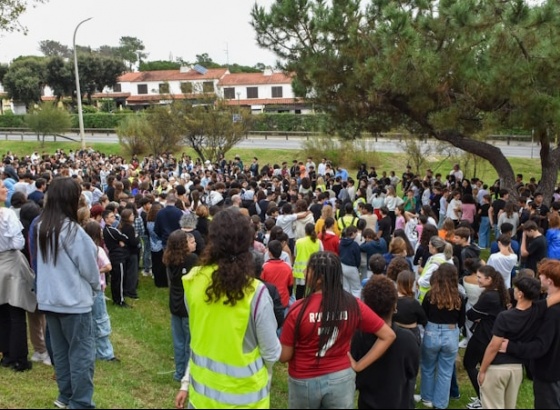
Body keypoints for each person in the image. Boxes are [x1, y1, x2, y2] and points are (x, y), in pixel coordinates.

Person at [175, 208, 280, 409]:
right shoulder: (256, 293)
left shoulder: (193, 280)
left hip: (200, 398)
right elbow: (272, 353)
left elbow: (199, 336)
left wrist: (186, 382)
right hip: (245, 400)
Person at [280, 251, 396, 409]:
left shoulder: (298, 309)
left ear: (319, 279)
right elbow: (388, 335)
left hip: (304, 379)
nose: (303, 272)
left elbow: (285, 356)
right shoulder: (352, 304)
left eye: (308, 270)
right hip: (341, 378)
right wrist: (359, 365)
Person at [34, 177, 100, 409]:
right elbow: (89, 265)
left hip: (50, 299)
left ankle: (66, 395)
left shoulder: (43, 225)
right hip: (73, 301)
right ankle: (80, 402)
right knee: (80, 354)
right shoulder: (71, 230)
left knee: (61, 353)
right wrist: (96, 286)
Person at [477, 275, 560, 409]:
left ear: (520, 294)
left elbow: (494, 346)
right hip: (516, 369)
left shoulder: (505, 316)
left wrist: (482, 370)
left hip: (497, 367)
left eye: (515, 289)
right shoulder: (537, 311)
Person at [351, 275, 420, 409]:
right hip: (399, 403)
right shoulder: (408, 339)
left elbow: (354, 376)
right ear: (394, 306)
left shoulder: (358, 337)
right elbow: (412, 371)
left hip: (368, 403)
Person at [501, 259, 560, 409]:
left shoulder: (553, 313)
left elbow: (540, 346)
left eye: (541, 275)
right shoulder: (550, 305)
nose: (539, 278)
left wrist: (511, 346)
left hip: (550, 372)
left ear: (549, 280)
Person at [418, 263, 466, 410]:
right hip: (451, 333)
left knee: (427, 367)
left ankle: (427, 397)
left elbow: (423, 316)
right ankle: (440, 403)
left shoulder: (430, 295)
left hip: (431, 331)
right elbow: (462, 320)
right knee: (445, 370)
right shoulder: (459, 297)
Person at [0, 178, 36, 372]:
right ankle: (19, 358)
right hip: (10, 262)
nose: (5, 188)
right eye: (1, 186)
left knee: (3, 312)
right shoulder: (6, 215)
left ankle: (6, 354)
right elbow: (18, 243)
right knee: (16, 311)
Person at [463, 265, 509, 410]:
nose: (477, 280)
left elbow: (471, 314)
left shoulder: (489, 296)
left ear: (489, 279)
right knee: (485, 367)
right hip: (492, 333)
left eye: (480, 278)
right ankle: (484, 396)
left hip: (482, 336)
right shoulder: (500, 293)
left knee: (469, 364)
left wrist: (479, 316)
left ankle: (482, 398)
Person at [163, 230, 198, 382]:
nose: (194, 243)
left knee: (178, 340)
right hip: (187, 304)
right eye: (190, 241)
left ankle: (179, 372)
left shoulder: (169, 258)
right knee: (189, 341)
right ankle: (187, 373)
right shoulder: (191, 259)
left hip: (175, 303)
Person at [83, 221, 118, 362]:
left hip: (84, 289)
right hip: (97, 288)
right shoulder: (98, 249)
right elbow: (108, 266)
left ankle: (90, 350)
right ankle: (105, 353)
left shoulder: (82, 248)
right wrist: (97, 271)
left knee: (88, 321)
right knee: (100, 320)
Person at [293, 222, 323, 299]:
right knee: (314, 291)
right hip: (313, 270)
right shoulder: (318, 242)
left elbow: (295, 254)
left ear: (305, 231)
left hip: (300, 271)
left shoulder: (299, 242)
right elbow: (322, 254)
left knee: (299, 291)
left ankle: (299, 306)